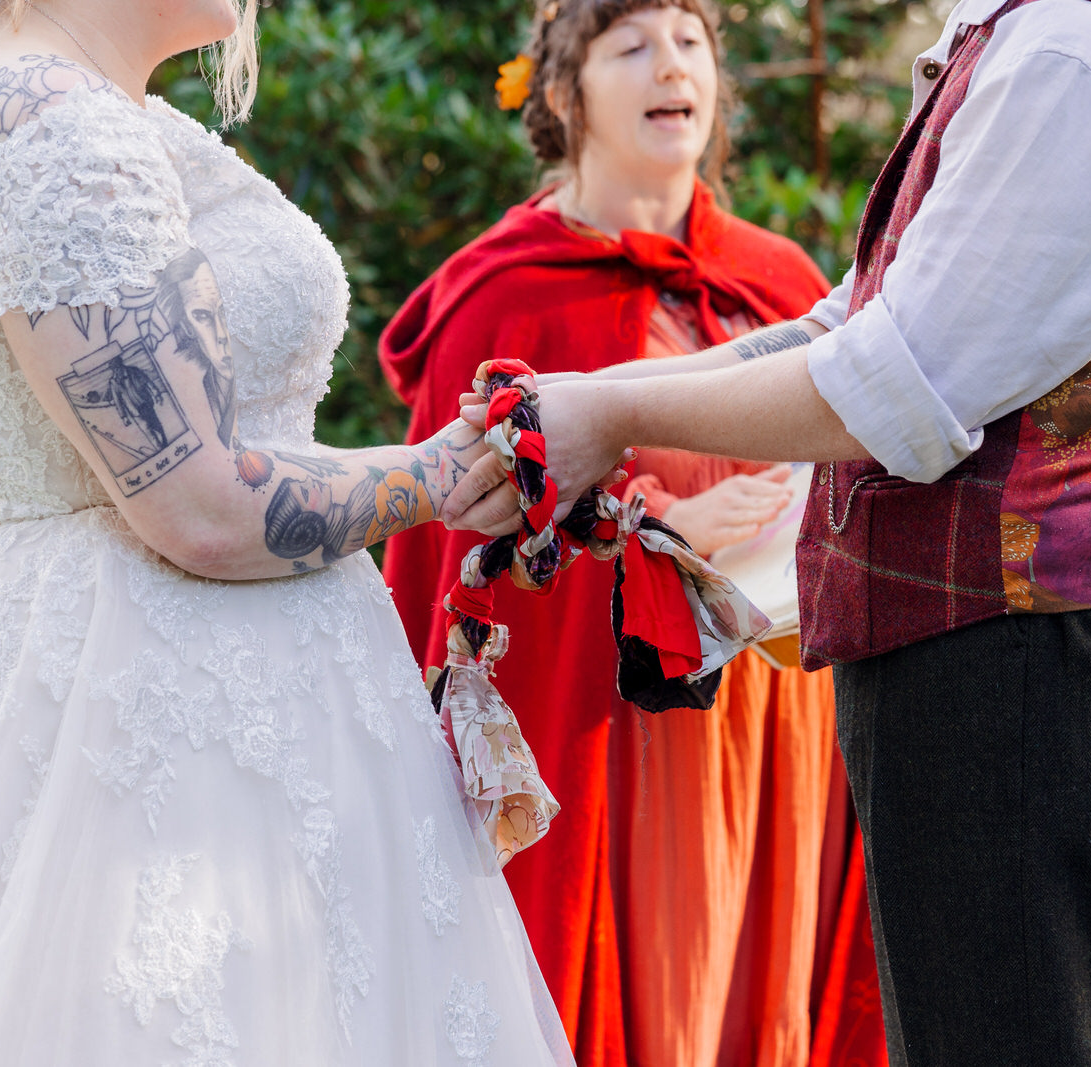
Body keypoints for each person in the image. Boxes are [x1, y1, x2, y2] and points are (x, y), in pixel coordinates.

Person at [0, 0, 573, 1063]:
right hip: (136, 743)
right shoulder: (50, 124)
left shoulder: (68, 102)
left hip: (196, 715)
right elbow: (200, 506)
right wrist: (446, 471)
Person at [445, 1, 1091, 1065]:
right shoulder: (1023, 37)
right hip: (976, 645)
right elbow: (854, 322)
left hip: (1027, 651)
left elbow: (894, 386)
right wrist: (585, 398)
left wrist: (610, 416)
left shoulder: (1073, 58)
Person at [380, 3, 887, 1065]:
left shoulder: (789, 282)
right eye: (633, 45)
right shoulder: (499, 298)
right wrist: (659, 532)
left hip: (774, 714)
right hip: (607, 735)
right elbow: (459, 551)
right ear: (563, 96)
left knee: (766, 974)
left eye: (691, 41)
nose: (672, 65)